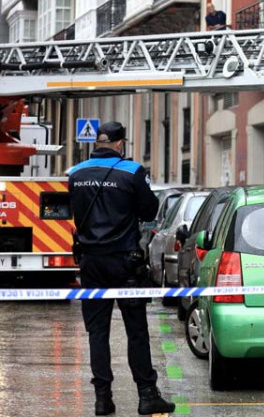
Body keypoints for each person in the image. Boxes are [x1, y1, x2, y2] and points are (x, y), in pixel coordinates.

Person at [68, 122, 176, 416]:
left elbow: (73, 212)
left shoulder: (76, 174)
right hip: (124, 262)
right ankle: (146, 395)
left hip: (91, 262)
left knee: (97, 332)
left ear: (97, 142)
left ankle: (102, 400)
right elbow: (150, 211)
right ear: (119, 143)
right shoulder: (131, 171)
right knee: (136, 331)